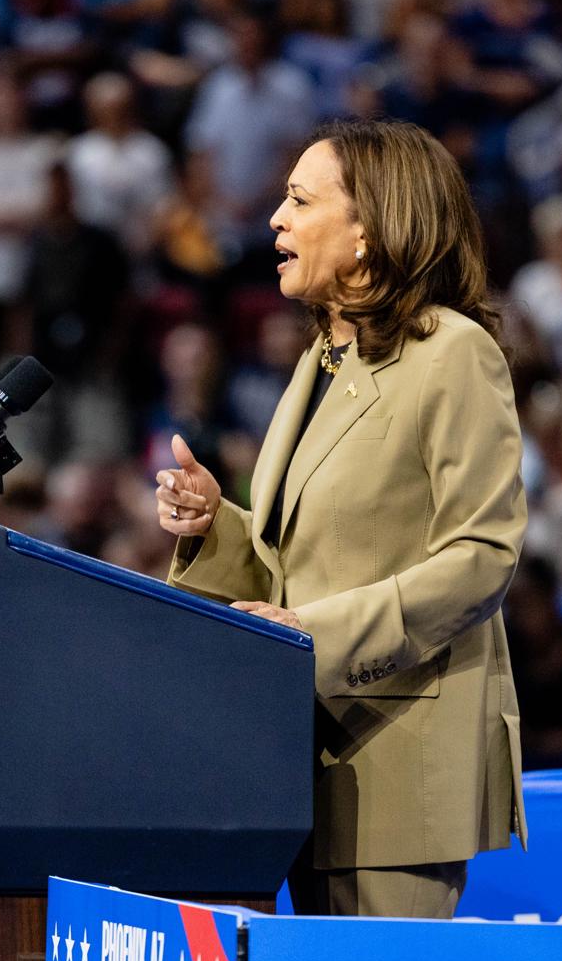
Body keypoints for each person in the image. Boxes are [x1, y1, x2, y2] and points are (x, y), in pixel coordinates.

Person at [157, 118, 526, 918]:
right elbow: (287, 569)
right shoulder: (321, 360)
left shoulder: (453, 353)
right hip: (300, 762)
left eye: (298, 200)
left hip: (397, 767)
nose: (275, 220)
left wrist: (311, 639)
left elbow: (484, 556)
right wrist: (214, 525)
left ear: (369, 229)